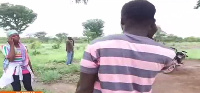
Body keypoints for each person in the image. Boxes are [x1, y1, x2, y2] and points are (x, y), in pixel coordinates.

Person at [75, 0, 176, 93]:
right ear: (153, 23)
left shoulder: (97, 46)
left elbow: (84, 88)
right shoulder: (166, 53)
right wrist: (149, 38)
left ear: (122, 21)